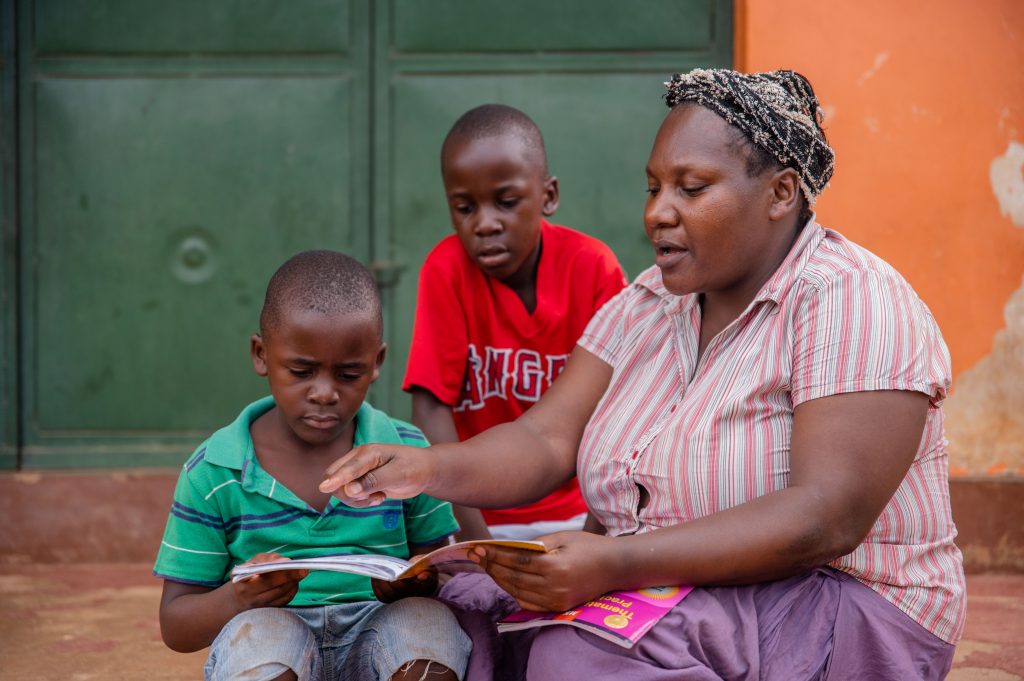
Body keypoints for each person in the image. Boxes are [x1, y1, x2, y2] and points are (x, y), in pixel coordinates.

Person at [321, 69, 966, 680]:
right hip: (673, 590)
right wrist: (424, 469)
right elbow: (546, 440)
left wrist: (617, 563)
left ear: (780, 193)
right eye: (653, 187)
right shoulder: (647, 304)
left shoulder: (853, 299)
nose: (658, 211)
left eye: (691, 187)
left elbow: (826, 518)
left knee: (573, 658)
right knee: (462, 621)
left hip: (838, 601)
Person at [153, 250, 470, 681]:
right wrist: (240, 599)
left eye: (347, 374)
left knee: (427, 621)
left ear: (376, 364)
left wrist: (419, 583)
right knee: (260, 636)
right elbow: (176, 623)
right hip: (276, 633)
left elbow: (448, 570)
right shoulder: (214, 471)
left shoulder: (404, 454)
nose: (324, 393)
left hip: (381, 633)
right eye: (301, 371)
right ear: (261, 354)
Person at [403, 103, 627, 541]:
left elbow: (622, 407)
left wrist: (593, 537)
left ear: (549, 196)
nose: (485, 224)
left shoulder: (592, 267)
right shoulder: (446, 269)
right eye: (464, 208)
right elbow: (431, 409)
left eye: (506, 202)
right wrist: (474, 541)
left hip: (578, 512)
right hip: (478, 516)